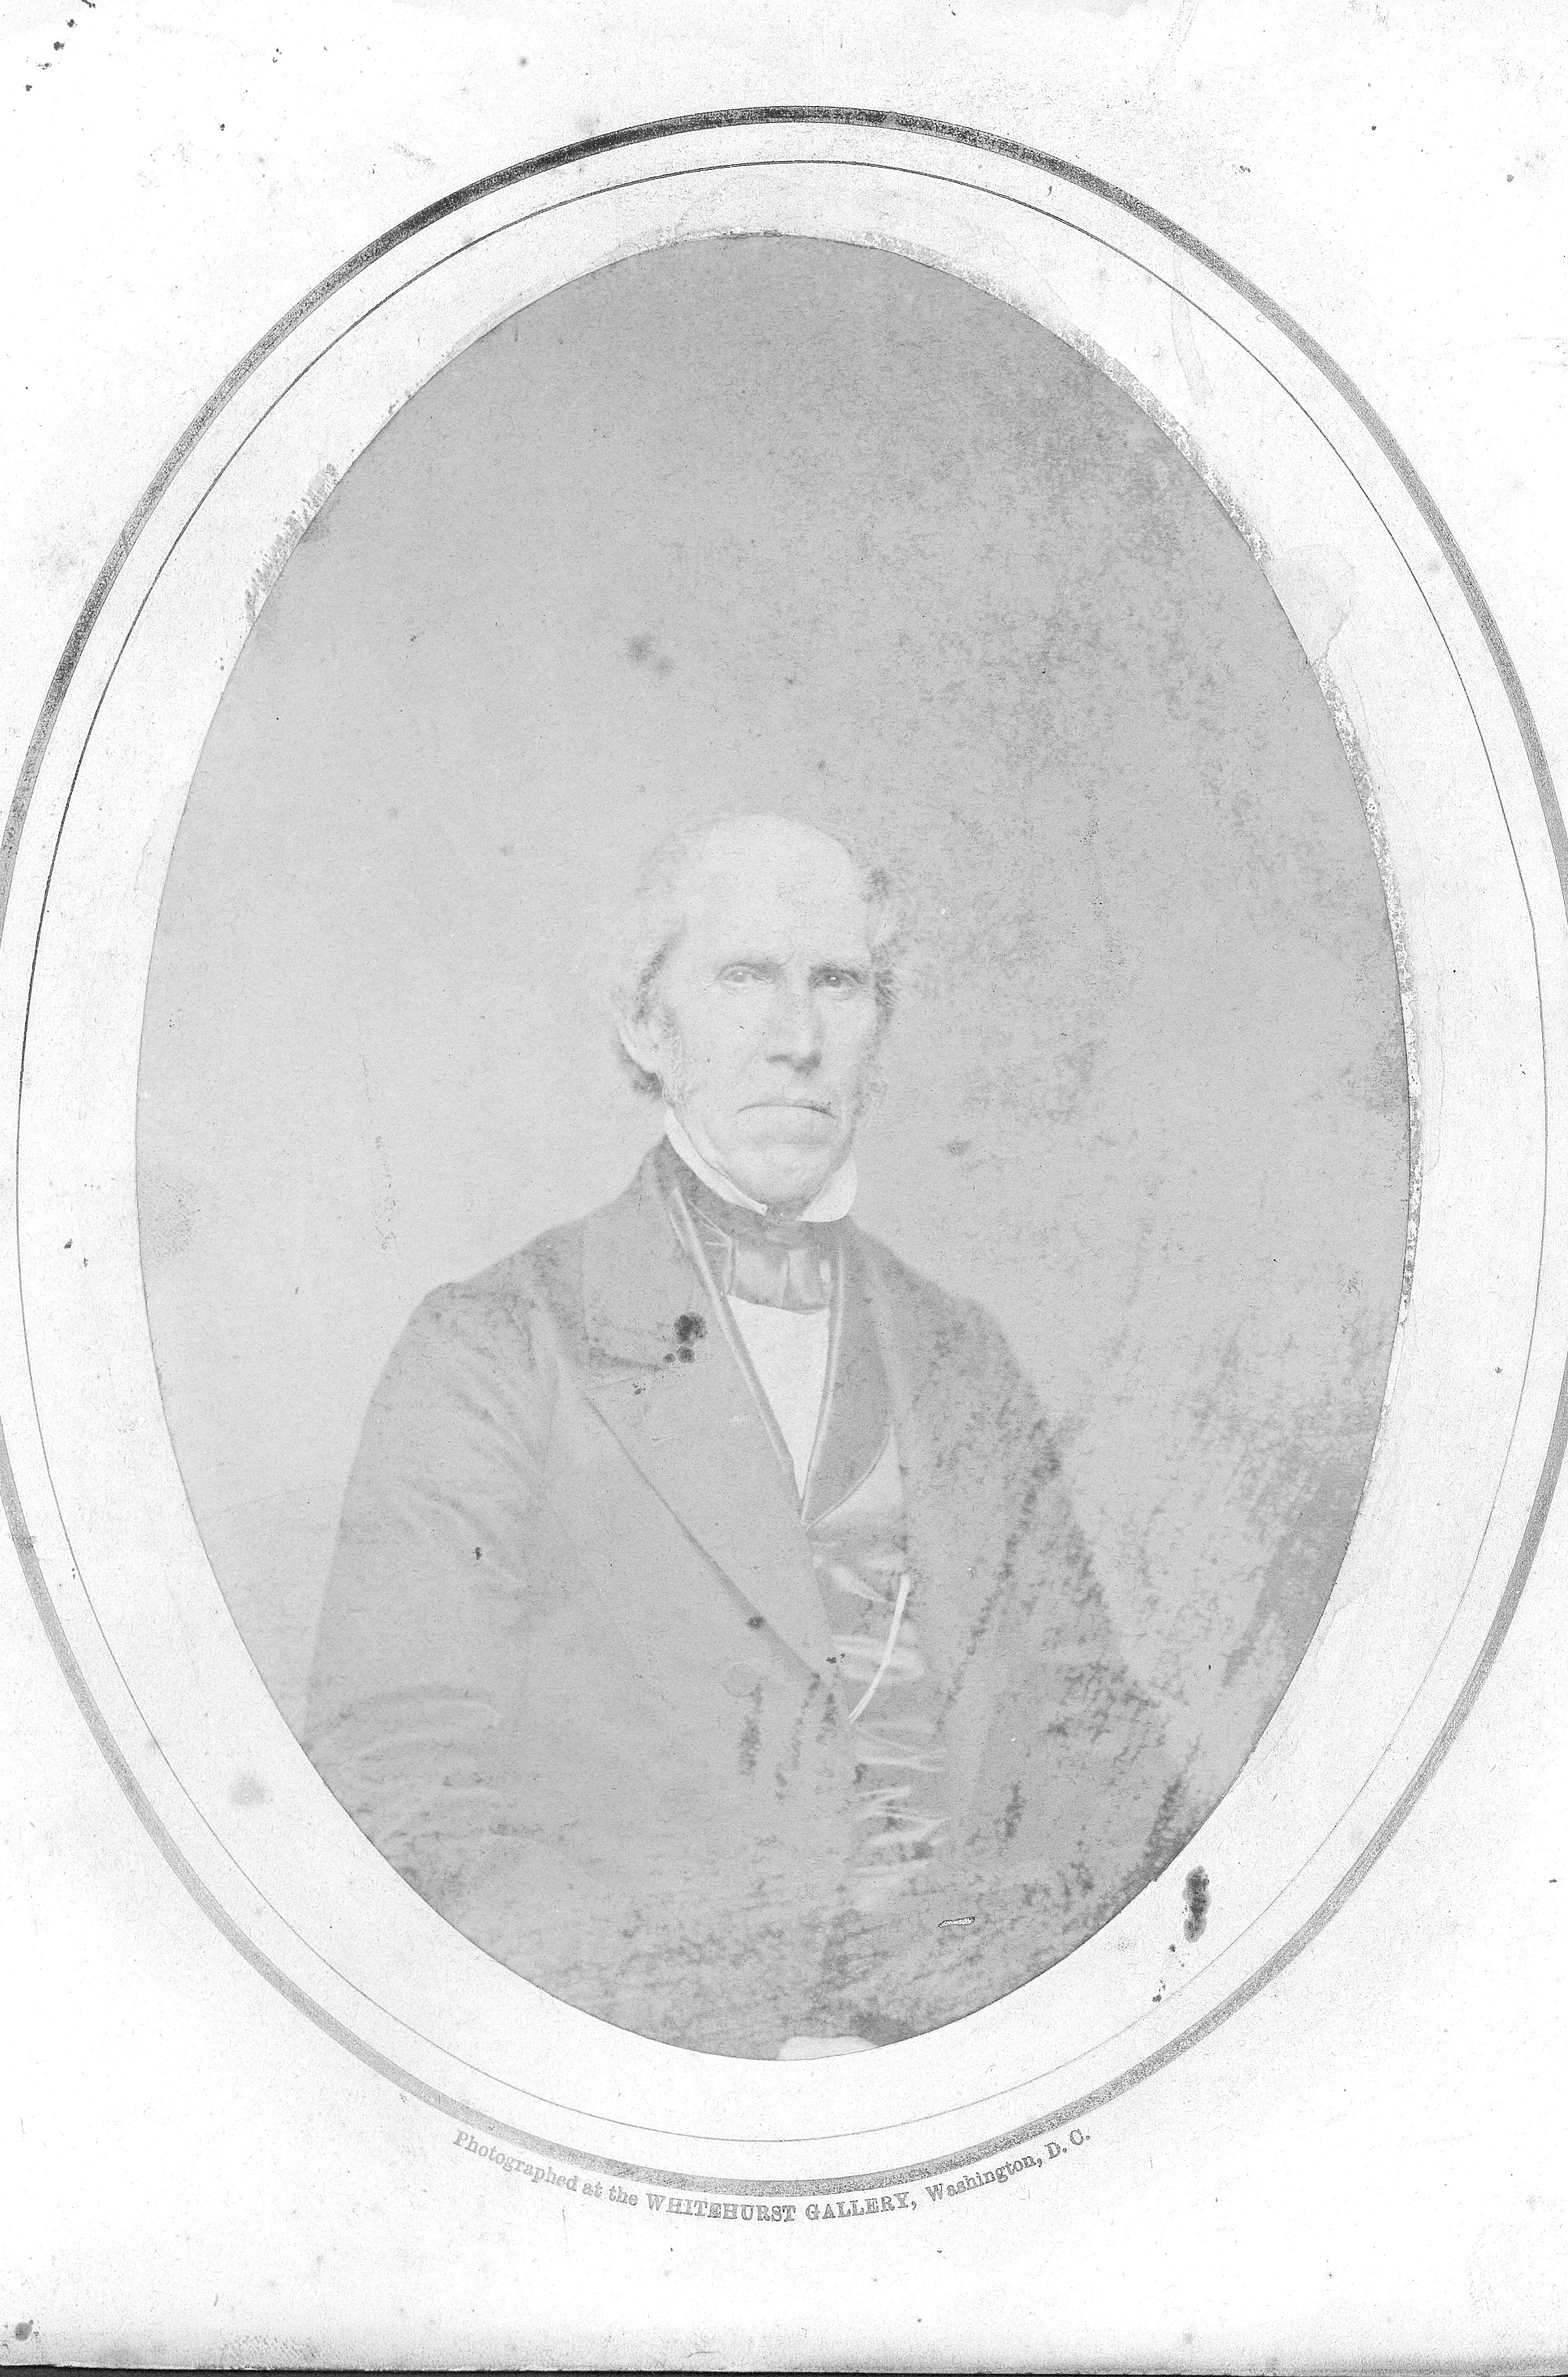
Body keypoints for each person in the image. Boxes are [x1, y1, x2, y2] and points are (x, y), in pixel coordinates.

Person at [303, 814, 1184, 2057]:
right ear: (644, 1025)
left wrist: (1003, 2022)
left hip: (969, 2050)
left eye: (839, 983)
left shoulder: (963, 1356)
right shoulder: (495, 1344)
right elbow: (399, 1791)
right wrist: (727, 2045)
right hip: (661, 2067)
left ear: (879, 1027)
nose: (796, 1037)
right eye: (743, 977)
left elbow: (1098, 1749)